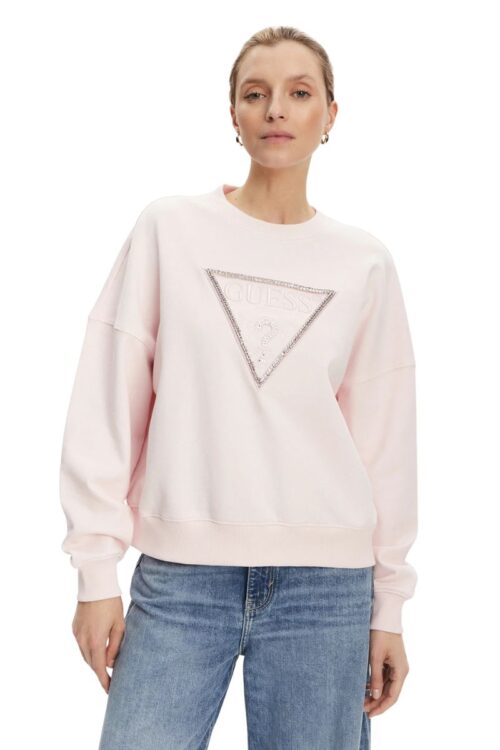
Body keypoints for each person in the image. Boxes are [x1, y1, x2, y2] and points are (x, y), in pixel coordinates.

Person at [59, 25, 418, 750]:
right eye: (256, 94)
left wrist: (389, 605)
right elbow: (109, 401)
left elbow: (386, 443)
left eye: (299, 92)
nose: (276, 109)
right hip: (182, 580)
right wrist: (96, 572)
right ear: (233, 115)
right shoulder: (170, 229)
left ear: (330, 116)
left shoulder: (364, 263)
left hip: (327, 589)